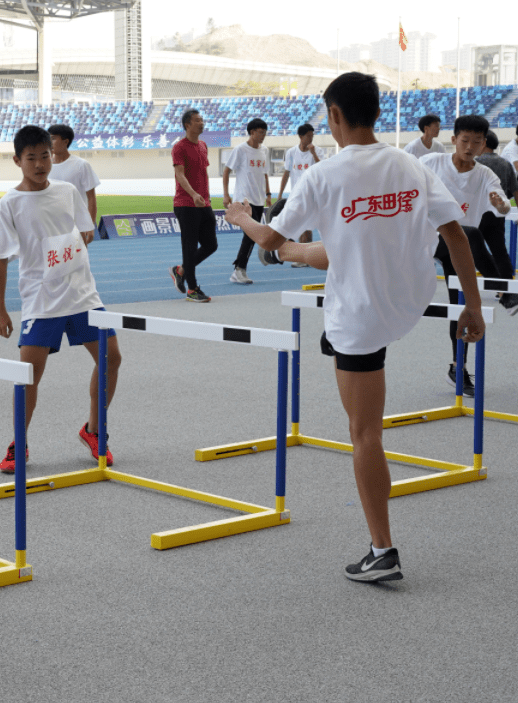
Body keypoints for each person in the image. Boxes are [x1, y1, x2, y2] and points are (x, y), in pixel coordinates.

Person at [227, 71, 485, 583]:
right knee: (333, 248)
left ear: (335, 116)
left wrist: (240, 217)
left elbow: (270, 243)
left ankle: (382, 550)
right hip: (409, 298)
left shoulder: (324, 174)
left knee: (364, 432)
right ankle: (318, 261)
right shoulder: (410, 164)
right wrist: (471, 309)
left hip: (362, 315)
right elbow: (456, 237)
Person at [0, 125, 121, 473]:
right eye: (30, 157)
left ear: (53, 155)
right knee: (29, 374)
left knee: (112, 359)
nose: (39, 163)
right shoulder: (8, 205)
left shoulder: (67, 191)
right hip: (41, 301)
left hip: (82, 294)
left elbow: (85, 231)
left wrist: (76, 245)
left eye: (44, 155)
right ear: (17, 160)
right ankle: (19, 441)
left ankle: (94, 430)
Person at [419, 115, 511, 394]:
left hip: (458, 253)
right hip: (428, 239)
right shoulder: (430, 164)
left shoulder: (485, 175)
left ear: (484, 145)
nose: (470, 147)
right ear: (454, 140)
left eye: (477, 142)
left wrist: (501, 205)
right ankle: (506, 291)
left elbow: (503, 206)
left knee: (460, 309)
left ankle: (457, 367)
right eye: (465, 140)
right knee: (469, 232)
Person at [169, 108, 217, 302]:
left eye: (202, 120)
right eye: (197, 120)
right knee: (189, 247)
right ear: (187, 124)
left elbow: (203, 174)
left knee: (211, 245)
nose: (201, 123)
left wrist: (206, 197)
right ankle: (192, 289)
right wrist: (194, 194)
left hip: (203, 203)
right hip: (186, 203)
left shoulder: (203, 145)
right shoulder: (179, 147)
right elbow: (179, 174)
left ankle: (180, 270)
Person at [223, 117, 272, 284]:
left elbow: (265, 173)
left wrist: (268, 194)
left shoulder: (264, 150)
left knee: (252, 236)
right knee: (250, 236)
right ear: (252, 132)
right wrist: (226, 194)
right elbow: (227, 171)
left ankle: (240, 269)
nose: (263, 135)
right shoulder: (240, 150)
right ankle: (238, 270)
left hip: (258, 200)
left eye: (265, 132)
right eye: (260, 132)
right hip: (244, 200)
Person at [477, 130, 518, 300]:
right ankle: (507, 286)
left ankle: (495, 282)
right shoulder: (505, 163)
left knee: (475, 250)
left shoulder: (475, 162)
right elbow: (515, 190)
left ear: (484, 143)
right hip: (498, 213)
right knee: (500, 250)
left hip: (478, 213)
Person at [277, 123, 322, 266]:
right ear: (301, 137)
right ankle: (305, 256)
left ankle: (305, 258)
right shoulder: (291, 152)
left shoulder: (317, 151)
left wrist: (314, 153)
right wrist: (280, 193)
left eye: (312, 136)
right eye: (308, 136)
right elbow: (286, 172)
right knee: (299, 224)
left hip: (312, 193)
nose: (311, 138)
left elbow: (322, 169)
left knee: (306, 225)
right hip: (296, 194)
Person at [47, 124, 101, 228]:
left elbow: (91, 198)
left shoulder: (81, 165)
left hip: (77, 225)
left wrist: (89, 226)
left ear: (65, 141)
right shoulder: (44, 166)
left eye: (53, 139)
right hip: (52, 225)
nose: (49, 143)